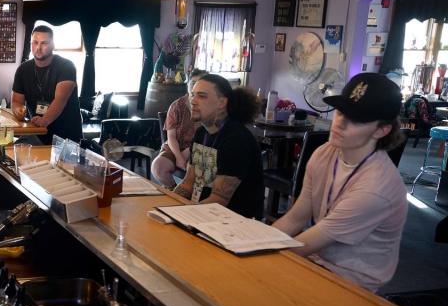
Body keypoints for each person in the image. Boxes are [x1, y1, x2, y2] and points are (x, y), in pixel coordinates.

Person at [273, 73, 408, 292]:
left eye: (355, 119)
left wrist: (256, 251)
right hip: (317, 261)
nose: (340, 123)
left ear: (382, 130)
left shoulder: (376, 188)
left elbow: (303, 245)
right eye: (340, 111)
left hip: (352, 281)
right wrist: (256, 240)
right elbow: (295, 218)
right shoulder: (325, 153)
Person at [174, 74, 264, 218]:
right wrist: (167, 204)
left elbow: (218, 201)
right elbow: (187, 183)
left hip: (233, 223)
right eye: (192, 95)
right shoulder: (201, 133)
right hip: (203, 215)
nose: (193, 101)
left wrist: (181, 214)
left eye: (202, 96)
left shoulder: (236, 139)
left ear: (222, 103)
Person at [11, 25, 83, 142]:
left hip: (67, 136)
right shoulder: (23, 69)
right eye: (35, 42)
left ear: (53, 45)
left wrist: (44, 120)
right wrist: (18, 111)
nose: (38, 47)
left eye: (44, 43)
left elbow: (60, 100)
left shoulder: (67, 67)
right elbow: (16, 102)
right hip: (37, 132)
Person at [152, 69, 206, 187]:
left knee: (196, 174)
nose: (195, 87)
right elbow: (171, 137)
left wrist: (188, 153)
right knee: (158, 168)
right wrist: (179, 157)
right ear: (188, 85)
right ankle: (174, 192)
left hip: (200, 148)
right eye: (193, 83)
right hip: (175, 146)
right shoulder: (177, 106)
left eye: (200, 83)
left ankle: (189, 198)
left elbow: (207, 136)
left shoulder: (209, 107)